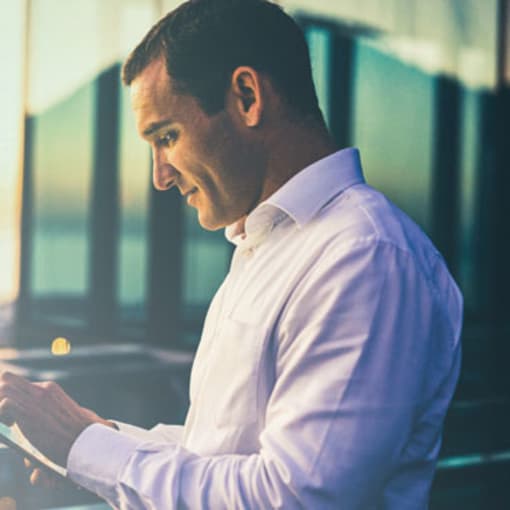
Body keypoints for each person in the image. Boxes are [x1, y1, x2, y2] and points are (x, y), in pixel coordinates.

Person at [0, 0, 463, 508]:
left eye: (167, 137)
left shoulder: (364, 258)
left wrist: (84, 447)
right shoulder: (270, 250)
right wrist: (97, 440)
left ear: (246, 96)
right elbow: (220, 451)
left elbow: (295, 498)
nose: (160, 176)